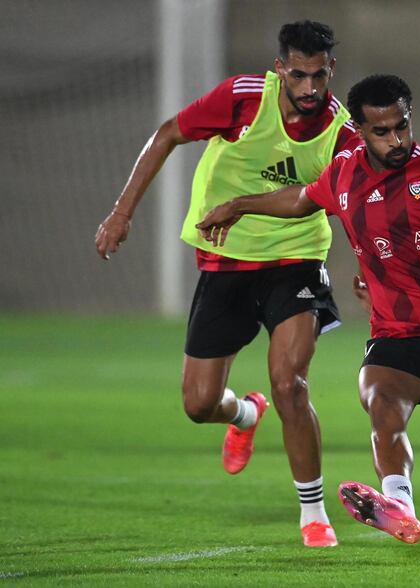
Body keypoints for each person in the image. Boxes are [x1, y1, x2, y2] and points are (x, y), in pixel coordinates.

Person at [196, 74, 420, 543]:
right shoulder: (344, 173)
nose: (396, 139)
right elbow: (302, 199)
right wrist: (240, 204)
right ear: (359, 130)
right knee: (381, 403)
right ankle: (399, 504)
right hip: (398, 333)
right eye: (382, 131)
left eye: (402, 126)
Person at [94, 20, 362, 547]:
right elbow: (169, 132)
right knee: (198, 404)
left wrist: (370, 271)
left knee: (291, 382)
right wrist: (121, 213)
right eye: (299, 75)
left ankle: (313, 514)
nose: (310, 88)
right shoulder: (242, 99)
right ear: (280, 69)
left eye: (319, 76)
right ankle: (245, 412)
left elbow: (346, 205)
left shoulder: (341, 133)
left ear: (332, 70)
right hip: (225, 264)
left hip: (297, 260)